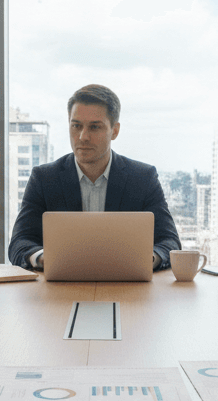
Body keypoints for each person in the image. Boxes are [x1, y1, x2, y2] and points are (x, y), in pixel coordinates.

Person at [9, 84, 180, 270]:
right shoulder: (44, 179)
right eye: (76, 126)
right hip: (59, 289)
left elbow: (170, 242)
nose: (83, 137)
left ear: (115, 130)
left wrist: (147, 260)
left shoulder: (143, 178)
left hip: (128, 287)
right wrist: (44, 259)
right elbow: (20, 242)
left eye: (94, 127)